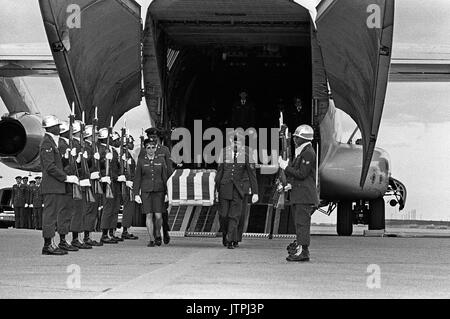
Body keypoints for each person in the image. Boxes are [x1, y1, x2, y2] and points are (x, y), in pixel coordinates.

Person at [278, 125, 319, 262]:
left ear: (303, 139)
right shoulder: (303, 152)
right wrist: (290, 184)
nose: (295, 139)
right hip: (299, 194)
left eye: (297, 137)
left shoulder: (308, 153)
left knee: (302, 224)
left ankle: (303, 252)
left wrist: (285, 167)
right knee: (300, 224)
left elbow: (302, 174)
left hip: (304, 195)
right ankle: (302, 250)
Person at [40, 115, 80, 255]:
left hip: (57, 186)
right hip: (52, 186)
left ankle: (53, 243)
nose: (59, 128)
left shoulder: (52, 142)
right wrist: (66, 178)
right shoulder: (47, 143)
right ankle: (48, 245)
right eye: (57, 126)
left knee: (55, 215)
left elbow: (56, 163)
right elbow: (49, 167)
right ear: (51, 128)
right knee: (50, 216)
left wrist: (66, 158)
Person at [215, 132, 259, 249]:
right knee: (223, 215)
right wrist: (215, 190)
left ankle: (231, 239)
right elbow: (219, 172)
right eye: (234, 141)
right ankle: (226, 234)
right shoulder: (224, 153)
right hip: (224, 188)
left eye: (238, 142)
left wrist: (255, 192)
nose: (235, 144)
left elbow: (252, 174)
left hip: (239, 189)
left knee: (234, 215)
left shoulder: (246, 155)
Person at [134, 137, 169, 247]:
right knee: (149, 215)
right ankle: (152, 239)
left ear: (156, 148)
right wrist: (136, 193)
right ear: (145, 149)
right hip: (146, 191)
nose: (150, 150)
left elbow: (164, 177)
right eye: (148, 147)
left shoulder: (161, 160)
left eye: (153, 147)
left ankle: (158, 233)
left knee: (158, 216)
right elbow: (137, 178)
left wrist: (167, 192)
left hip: (159, 191)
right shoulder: (141, 161)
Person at [141, 127, 173, 244]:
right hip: (149, 186)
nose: (152, 139)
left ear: (158, 138)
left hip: (161, 185)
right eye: (150, 137)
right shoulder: (144, 150)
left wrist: (169, 186)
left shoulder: (164, 150)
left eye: (154, 137)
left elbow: (168, 169)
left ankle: (164, 231)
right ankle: (154, 236)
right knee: (151, 213)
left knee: (161, 213)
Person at [98, 128, 122, 244]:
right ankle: (104, 233)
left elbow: (116, 167)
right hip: (107, 182)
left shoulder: (113, 150)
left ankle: (111, 232)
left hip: (115, 182)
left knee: (115, 207)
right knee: (108, 208)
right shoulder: (101, 149)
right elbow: (100, 167)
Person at [82, 125, 103, 247]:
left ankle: (88, 235)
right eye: (95, 135)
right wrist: (91, 174)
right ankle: (85, 236)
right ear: (90, 136)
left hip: (94, 181)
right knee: (88, 210)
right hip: (88, 182)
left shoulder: (93, 147)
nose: (97, 137)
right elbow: (83, 167)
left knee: (93, 210)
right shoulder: (86, 147)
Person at [120, 135, 138, 240]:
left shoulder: (128, 154)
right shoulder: (124, 154)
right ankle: (125, 230)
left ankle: (126, 229)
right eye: (131, 143)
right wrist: (127, 181)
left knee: (129, 207)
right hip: (126, 184)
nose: (132, 145)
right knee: (128, 207)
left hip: (129, 183)